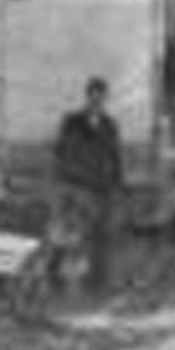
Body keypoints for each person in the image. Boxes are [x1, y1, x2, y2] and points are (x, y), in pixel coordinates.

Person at [52, 76, 125, 296]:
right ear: (87, 96)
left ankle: (99, 282)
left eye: (101, 98)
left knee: (102, 237)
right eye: (93, 96)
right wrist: (68, 181)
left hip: (103, 189)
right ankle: (67, 283)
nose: (97, 101)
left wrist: (117, 185)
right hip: (77, 187)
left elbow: (116, 156)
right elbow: (61, 152)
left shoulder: (110, 124)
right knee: (74, 238)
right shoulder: (71, 121)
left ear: (105, 99)